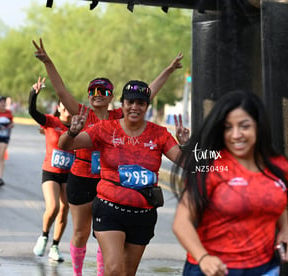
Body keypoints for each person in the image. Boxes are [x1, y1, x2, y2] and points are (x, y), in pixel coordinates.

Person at [33, 37, 184, 276]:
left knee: (112, 251)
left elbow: (147, 93)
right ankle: (78, 273)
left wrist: (168, 70)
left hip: (112, 182)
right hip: (82, 178)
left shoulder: (119, 117)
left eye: (103, 90)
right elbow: (61, 91)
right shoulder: (82, 114)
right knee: (81, 232)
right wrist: (48, 62)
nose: (97, 94)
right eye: (92, 90)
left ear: (113, 97)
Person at [58, 80, 190, 276]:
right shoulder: (104, 129)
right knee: (113, 269)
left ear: (146, 106)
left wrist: (186, 145)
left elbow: (186, 163)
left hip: (143, 214)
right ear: (122, 104)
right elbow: (65, 145)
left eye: (140, 103)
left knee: (128, 272)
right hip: (109, 208)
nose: (135, 107)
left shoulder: (159, 134)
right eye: (130, 102)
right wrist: (72, 132)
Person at [171, 90, 288, 276]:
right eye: (228, 127)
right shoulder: (211, 167)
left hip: (265, 268)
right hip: (214, 269)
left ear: (259, 126)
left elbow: (276, 199)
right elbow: (181, 223)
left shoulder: (279, 166)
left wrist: (285, 230)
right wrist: (203, 258)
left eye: (244, 126)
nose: (235, 135)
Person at [29, 77, 72, 262]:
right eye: (65, 105)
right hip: (51, 172)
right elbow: (32, 111)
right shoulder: (50, 121)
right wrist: (34, 94)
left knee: (64, 209)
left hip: (69, 174)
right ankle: (44, 236)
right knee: (53, 206)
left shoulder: (79, 126)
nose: (68, 108)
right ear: (60, 107)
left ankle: (55, 246)